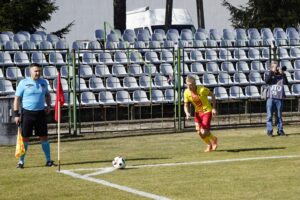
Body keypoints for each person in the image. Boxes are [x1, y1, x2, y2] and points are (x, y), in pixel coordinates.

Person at [14, 63, 55, 168]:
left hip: (40, 113)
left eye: (39, 71)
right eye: (35, 71)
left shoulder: (43, 82)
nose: (38, 73)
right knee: (25, 138)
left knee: (44, 137)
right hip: (27, 113)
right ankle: (21, 162)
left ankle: (48, 160)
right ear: (30, 71)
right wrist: (16, 114)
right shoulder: (23, 83)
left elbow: (47, 95)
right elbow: (17, 99)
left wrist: (49, 105)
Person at [183, 75, 218, 152]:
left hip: (207, 111)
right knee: (199, 131)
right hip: (198, 113)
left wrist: (214, 108)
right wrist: (187, 113)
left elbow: (212, 95)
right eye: (187, 85)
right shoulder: (186, 92)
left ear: (194, 83)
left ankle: (214, 140)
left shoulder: (202, 89)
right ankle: (209, 144)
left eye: (191, 85)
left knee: (204, 131)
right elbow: (185, 105)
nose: (189, 86)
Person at [265, 62, 288, 137]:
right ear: (271, 68)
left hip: (279, 98)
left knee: (279, 116)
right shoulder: (269, 74)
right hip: (271, 98)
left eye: (277, 67)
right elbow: (267, 81)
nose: (277, 68)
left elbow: (286, 83)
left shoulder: (281, 76)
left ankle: (280, 131)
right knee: (269, 116)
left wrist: (283, 73)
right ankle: (269, 131)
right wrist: (272, 72)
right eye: (275, 67)